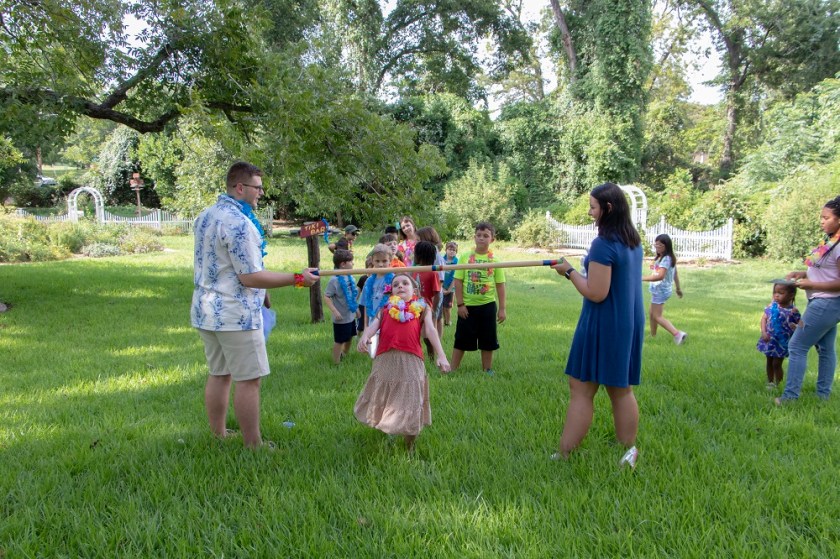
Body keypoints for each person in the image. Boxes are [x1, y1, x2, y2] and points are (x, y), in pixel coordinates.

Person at [192, 161, 318, 448]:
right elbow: (249, 276)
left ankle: (219, 433)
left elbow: (227, 266)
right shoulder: (239, 223)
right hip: (236, 315)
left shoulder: (205, 216)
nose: (261, 193)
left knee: (219, 374)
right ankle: (254, 445)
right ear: (240, 187)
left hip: (207, 310)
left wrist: (265, 294)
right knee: (249, 380)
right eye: (257, 187)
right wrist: (297, 278)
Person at [550, 182, 644, 468]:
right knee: (620, 387)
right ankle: (628, 449)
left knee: (581, 386)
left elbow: (596, 292)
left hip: (604, 322)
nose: (590, 212)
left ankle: (564, 454)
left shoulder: (603, 244)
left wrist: (568, 271)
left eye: (593, 206)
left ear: (609, 208)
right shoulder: (632, 240)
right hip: (627, 320)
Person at [355, 273, 451, 451]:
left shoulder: (422, 308)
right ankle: (388, 429)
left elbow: (430, 330)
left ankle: (410, 444)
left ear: (414, 290)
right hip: (386, 359)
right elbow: (373, 327)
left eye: (405, 283)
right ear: (391, 291)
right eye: (396, 284)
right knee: (385, 397)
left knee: (411, 400)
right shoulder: (385, 309)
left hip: (411, 360)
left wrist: (441, 355)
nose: (400, 286)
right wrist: (364, 337)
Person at [776, 196, 840, 405]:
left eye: (826, 218)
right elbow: (823, 271)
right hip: (823, 303)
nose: (821, 221)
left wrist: (811, 285)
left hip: (827, 304)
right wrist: (801, 272)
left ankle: (789, 398)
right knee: (826, 348)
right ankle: (823, 395)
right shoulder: (830, 241)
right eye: (821, 217)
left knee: (797, 346)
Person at [451, 221, 506, 375]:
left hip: (487, 305)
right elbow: (458, 281)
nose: (482, 238)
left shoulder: (495, 260)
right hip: (467, 306)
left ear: (492, 239)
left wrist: (502, 308)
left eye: (486, 236)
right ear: (474, 237)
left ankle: (487, 369)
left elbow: (500, 285)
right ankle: (453, 368)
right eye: (479, 235)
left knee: (488, 339)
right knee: (461, 338)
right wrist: (460, 304)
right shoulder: (465, 257)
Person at [642, 234, 686, 344]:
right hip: (660, 290)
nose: (657, 247)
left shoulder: (666, 259)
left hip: (660, 291)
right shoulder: (665, 257)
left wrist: (641, 278)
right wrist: (678, 288)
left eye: (660, 245)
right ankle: (653, 336)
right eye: (656, 244)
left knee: (657, 316)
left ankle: (677, 334)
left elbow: (660, 276)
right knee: (652, 313)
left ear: (666, 246)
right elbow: (675, 274)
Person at [757, 281, 800, 389]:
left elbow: (801, 324)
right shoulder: (772, 306)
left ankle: (778, 383)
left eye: (780, 293)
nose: (776, 295)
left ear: (791, 295)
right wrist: (763, 332)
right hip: (769, 339)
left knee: (777, 363)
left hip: (782, 342)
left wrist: (797, 327)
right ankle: (770, 382)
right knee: (769, 361)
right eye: (775, 292)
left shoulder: (793, 310)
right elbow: (764, 318)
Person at [324, 249, 359, 364]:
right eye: (351, 261)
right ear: (343, 264)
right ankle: (336, 362)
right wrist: (335, 311)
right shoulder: (334, 280)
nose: (353, 263)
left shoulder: (351, 278)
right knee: (340, 340)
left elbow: (353, 296)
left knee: (350, 337)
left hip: (350, 315)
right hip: (340, 318)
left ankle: (344, 354)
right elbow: (327, 297)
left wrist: (356, 309)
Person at [413, 241, 442, 356]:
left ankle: (432, 357)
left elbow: (437, 294)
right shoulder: (414, 270)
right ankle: (417, 355)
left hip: (427, 309)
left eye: (415, 253)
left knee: (428, 336)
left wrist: (434, 311)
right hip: (414, 307)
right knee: (414, 334)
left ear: (419, 256)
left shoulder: (432, 273)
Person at [359, 244, 394, 330]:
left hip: (389, 321)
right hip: (372, 321)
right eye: (377, 261)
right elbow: (366, 305)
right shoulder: (368, 281)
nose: (381, 264)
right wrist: (366, 326)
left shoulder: (394, 280)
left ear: (390, 260)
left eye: (384, 261)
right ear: (372, 261)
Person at [441, 241, 459, 326]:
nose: (452, 251)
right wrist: (441, 287)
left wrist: (449, 290)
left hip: (451, 289)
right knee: (442, 306)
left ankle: (448, 322)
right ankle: (444, 321)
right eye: (450, 249)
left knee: (447, 307)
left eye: (454, 250)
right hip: (441, 287)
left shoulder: (457, 262)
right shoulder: (442, 260)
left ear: (456, 252)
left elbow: (455, 278)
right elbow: (439, 275)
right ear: (446, 250)